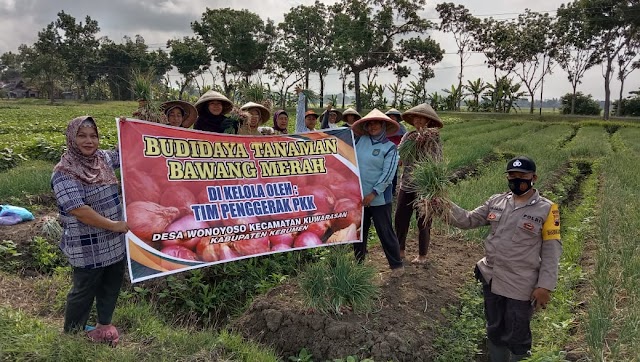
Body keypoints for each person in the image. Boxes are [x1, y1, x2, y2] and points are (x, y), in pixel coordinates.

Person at [436, 156, 562, 361]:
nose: (516, 180)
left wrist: (545, 286)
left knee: (517, 333)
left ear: (534, 178)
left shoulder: (547, 209)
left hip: (521, 282)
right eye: (512, 175)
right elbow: (468, 220)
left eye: (522, 176)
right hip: (492, 277)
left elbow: (551, 249)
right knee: (494, 328)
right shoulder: (496, 202)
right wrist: (441, 204)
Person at [51, 116, 129, 346]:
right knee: (83, 291)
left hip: (114, 242)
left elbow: (124, 151)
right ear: (72, 138)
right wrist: (115, 225)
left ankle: (103, 326)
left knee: (110, 286)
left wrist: (136, 125)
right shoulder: (63, 172)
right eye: (82, 135)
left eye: (93, 136)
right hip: (87, 246)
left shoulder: (102, 158)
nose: (89, 141)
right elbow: (79, 210)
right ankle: (73, 335)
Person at [351, 109, 404, 273]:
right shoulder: (360, 141)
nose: (373, 126)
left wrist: (373, 193)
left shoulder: (390, 148)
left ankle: (396, 266)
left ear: (383, 126)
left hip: (379, 199)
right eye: (370, 123)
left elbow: (388, 174)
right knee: (359, 232)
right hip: (358, 196)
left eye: (376, 123)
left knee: (385, 231)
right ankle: (359, 263)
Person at [394, 104, 443, 264]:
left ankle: (422, 255)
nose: (418, 120)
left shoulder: (434, 137)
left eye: (421, 118)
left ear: (428, 121)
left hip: (424, 187)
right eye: (416, 117)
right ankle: (400, 250)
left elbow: (436, 161)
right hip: (406, 184)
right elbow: (400, 156)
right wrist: (409, 148)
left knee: (424, 221)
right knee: (400, 218)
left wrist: (424, 142)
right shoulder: (408, 136)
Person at [385, 108, 408, 195]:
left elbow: (405, 141)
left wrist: (401, 156)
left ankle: (393, 190)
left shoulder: (401, 128)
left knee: (393, 171)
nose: (392, 118)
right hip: (385, 151)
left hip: (396, 151)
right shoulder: (385, 127)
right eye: (390, 116)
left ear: (397, 118)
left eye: (393, 116)